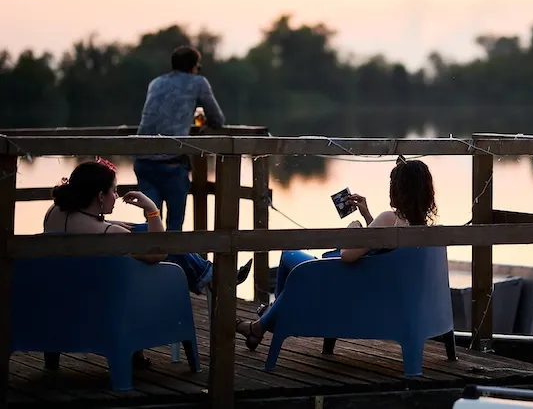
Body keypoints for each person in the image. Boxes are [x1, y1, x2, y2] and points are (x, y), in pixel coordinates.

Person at [43, 158, 251, 366]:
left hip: (66, 299)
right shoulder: (111, 233)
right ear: (99, 196)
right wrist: (152, 210)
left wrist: (113, 223)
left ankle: (210, 276)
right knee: (169, 246)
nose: (116, 196)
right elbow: (157, 253)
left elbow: (87, 225)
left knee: (143, 232)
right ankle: (213, 277)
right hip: (114, 305)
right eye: (114, 191)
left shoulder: (54, 213)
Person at [235, 156, 437, 351]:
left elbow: (347, 256)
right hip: (385, 297)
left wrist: (353, 231)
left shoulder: (388, 218)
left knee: (290, 257)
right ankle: (263, 323)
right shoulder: (421, 229)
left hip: (345, 288)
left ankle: (272, 318)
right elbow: (383, 249)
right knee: (297, 270)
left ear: (398, 190)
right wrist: (367, 216)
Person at [134, 45, 225, 232]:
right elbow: (217, 120)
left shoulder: (156, 83)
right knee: (174, 225)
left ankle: (151, 259)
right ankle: (174, 260)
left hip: (142, 159)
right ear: (193, 67)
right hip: (171, 163)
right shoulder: (198, 82)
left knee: (151, 221)